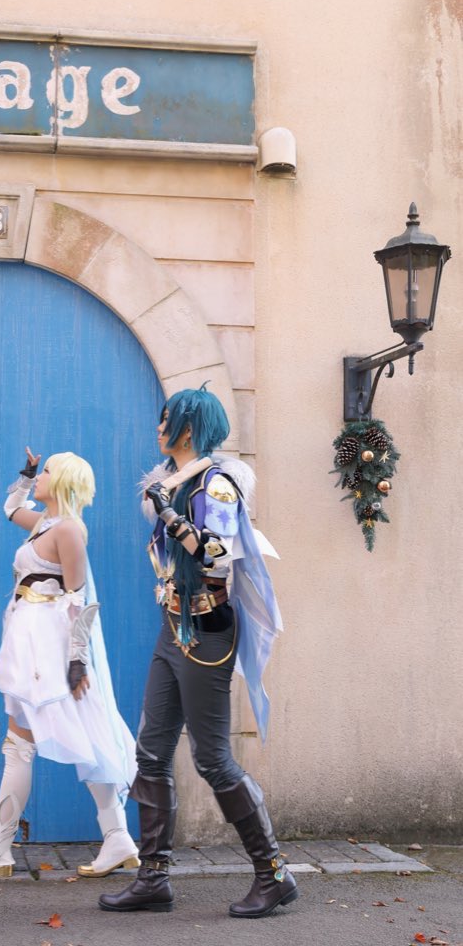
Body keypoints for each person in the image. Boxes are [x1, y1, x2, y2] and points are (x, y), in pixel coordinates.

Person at [99, 386, 297, 918]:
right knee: (151, 751)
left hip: (208, 628)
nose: (158, 427)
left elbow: (217, 554)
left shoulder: (217, 484)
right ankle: (153, 878)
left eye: (166, 420)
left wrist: (169, 515)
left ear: (188, 428)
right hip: (174, 625)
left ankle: (274, 874)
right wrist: (165, 504)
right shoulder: (174, 481)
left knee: (211, 757)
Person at [0, 449, 138, 879]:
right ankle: (116, 838)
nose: (41, 477)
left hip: (48, 649)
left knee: (23, 744)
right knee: (73, 735)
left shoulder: (68, 530)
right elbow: (10, 509)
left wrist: (76, 661)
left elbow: (79, 600)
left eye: (47, 471)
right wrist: (25, 474)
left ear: (64, 482)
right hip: (30, 642)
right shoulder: (45, 524)